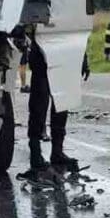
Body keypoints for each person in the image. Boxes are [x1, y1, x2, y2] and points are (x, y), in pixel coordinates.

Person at [17, 26, 81, 177]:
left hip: (63, 53)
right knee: (39, 105)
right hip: (41, 54)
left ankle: (57, 152)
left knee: (61, 104)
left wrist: (82, 58)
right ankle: (35, 153)